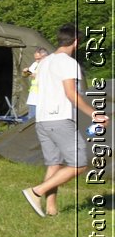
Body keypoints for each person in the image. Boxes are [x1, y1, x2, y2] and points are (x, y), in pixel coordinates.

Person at [23, 24, 109, 217]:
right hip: (59, 119)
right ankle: (36, 191)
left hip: (42, 120)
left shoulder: (44, 62)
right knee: (79, 164)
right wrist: (95, 114)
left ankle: (51, 209)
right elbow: (71, 94)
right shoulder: (69, 63)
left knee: (54, 164)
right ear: (76, 42)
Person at [23, 46, 48, 123]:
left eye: (38, 58)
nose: (36, 60)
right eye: (35, 58)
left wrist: (32, 74)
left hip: (44, 97)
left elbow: (40, 76)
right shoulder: (35, 64)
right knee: (31, 119)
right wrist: (25, 71)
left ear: (45, 57)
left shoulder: (49, 65)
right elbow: (25, 75)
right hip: (33, 97)